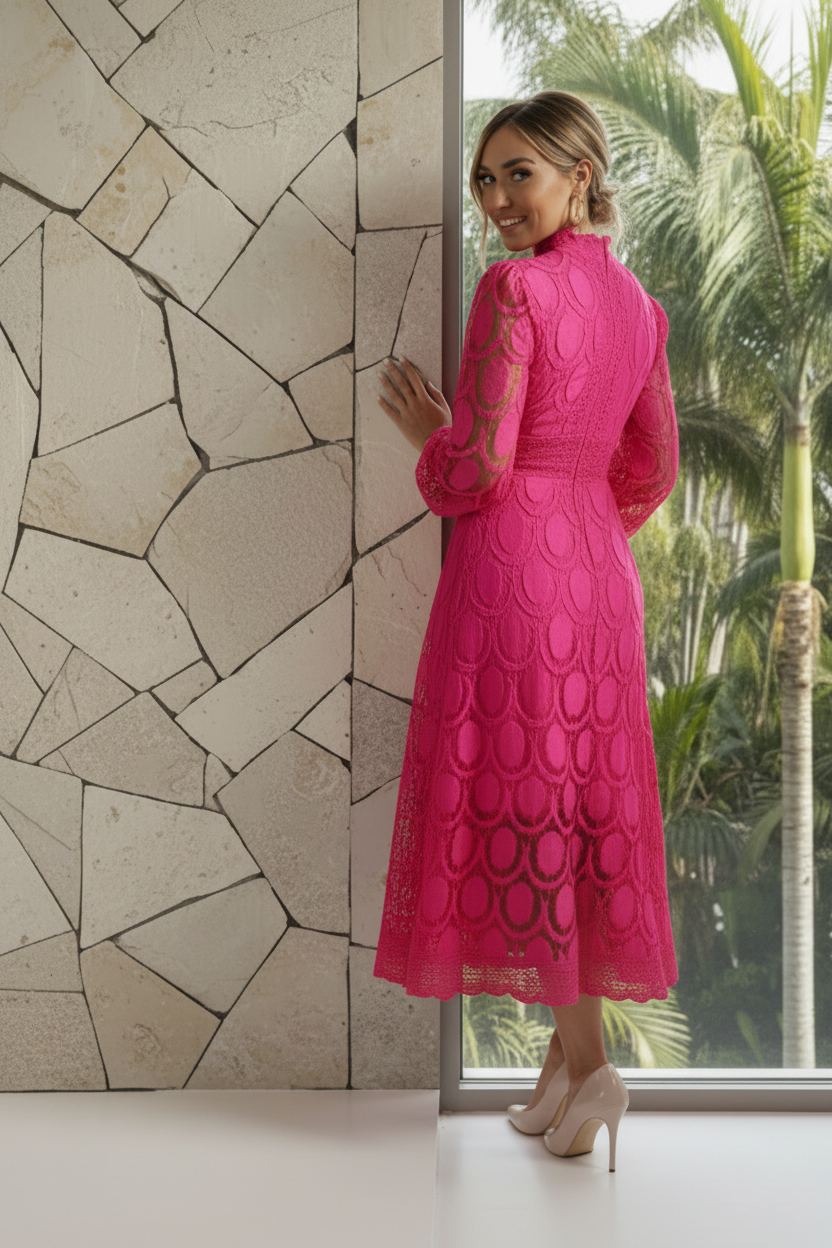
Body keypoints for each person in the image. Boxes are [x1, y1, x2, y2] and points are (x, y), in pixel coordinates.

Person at [372, 90, 679, 1172]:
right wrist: (584, 523)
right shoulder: (640, 306)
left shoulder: (513, 290)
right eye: (486, 178)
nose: (499, 198)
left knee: (519, 801)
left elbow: (473, 471)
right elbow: (653, 468)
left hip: (511, 571)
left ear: (578, 177)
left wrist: (428, 436)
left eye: (520, 174)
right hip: (595, 573)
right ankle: (566, 1057)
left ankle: (593, 1067)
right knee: (580, 810)